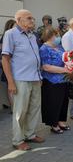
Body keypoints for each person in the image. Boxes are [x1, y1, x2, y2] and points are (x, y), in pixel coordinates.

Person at [1, 9, 45, 150]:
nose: (32, 20)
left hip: (35, 78)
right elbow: (5, 59)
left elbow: (35, 57)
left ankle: (30, 134)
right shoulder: (10, 34)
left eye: (32, 18)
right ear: (19, 20)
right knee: (20, 111)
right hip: (20, 79)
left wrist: (39, 75)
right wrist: (11, 82)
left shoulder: (32, 35)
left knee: (34, 108)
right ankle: (18, 140)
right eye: (29, 18)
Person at [39, 27, 72, 134]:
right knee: (53, 103)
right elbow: (46, 67)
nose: (59, 37)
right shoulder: (44, 49)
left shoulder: (59, 47)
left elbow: (65, 59)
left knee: (63, 102)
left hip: (64, 79)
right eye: (57, 35)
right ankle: (54, 124)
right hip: (51, 81)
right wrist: (64, 69)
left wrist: (72, 65)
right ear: (50, 36)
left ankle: (61, 121)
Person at [0, 19, 16, 110]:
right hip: (8, 66)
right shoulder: (6, 36)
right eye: (14, 26)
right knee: (11, 88)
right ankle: (14, 108)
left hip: (14, 66)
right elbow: (4, 53)